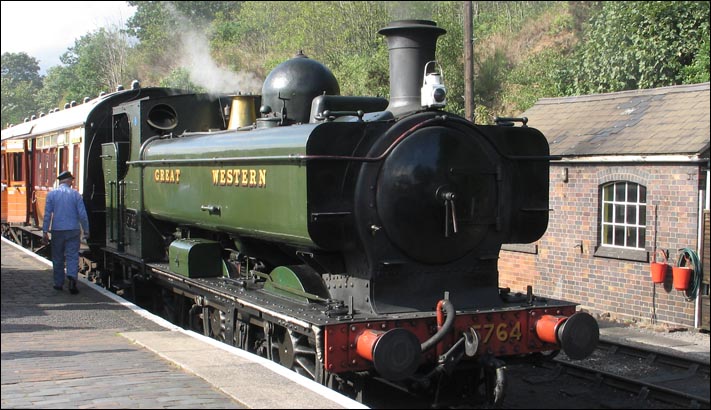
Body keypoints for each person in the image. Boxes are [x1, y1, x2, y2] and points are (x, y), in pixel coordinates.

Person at [42, 171, 89, 294]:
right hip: (73, 229)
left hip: (57, 230)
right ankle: (72, 278)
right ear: (68, 181)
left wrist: (45, 231)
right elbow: (83, 215)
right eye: (71, 180)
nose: (72, 183)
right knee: (72, 255)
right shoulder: (76, 195)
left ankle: (58, 283)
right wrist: (86, 230)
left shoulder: (52, 195)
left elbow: (47, 215)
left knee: (57, 257)